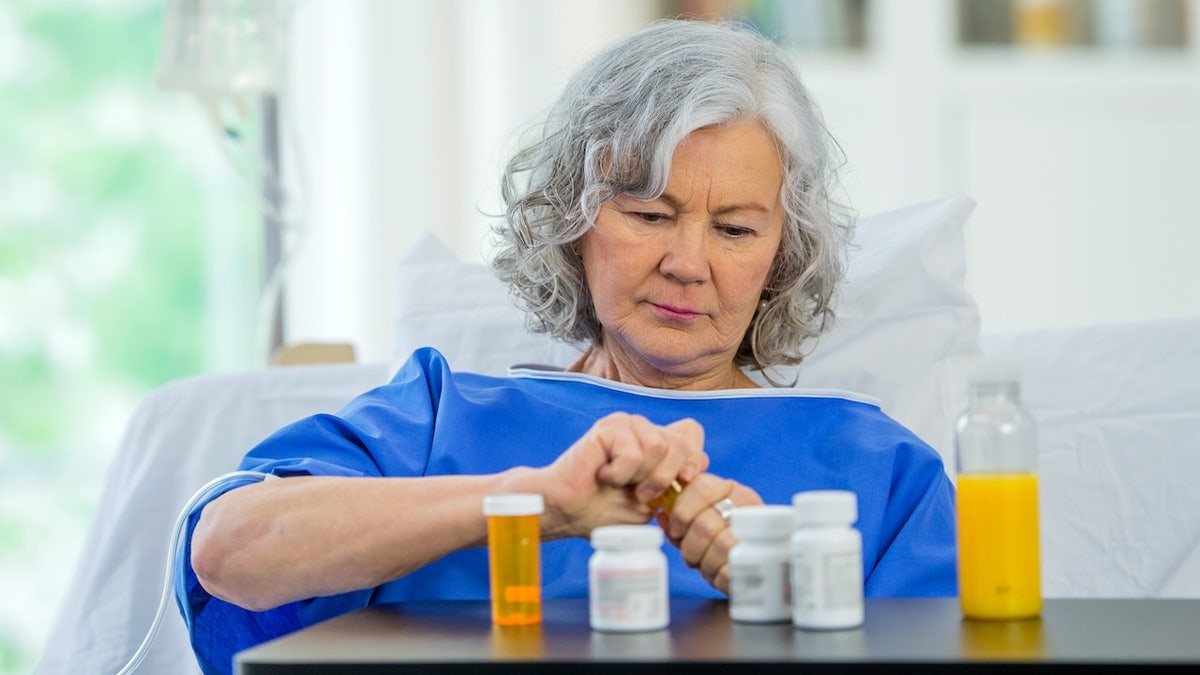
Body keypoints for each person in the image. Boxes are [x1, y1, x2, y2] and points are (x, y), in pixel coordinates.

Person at [177, 18, 956, 675]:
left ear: (783, 255)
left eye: (735, 228)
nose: (688, 263)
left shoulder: (882, 471)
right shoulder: (441, 418)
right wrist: (533, 502)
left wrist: (796, 606)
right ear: (572, 221)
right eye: (651, 214)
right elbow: (229, 552)